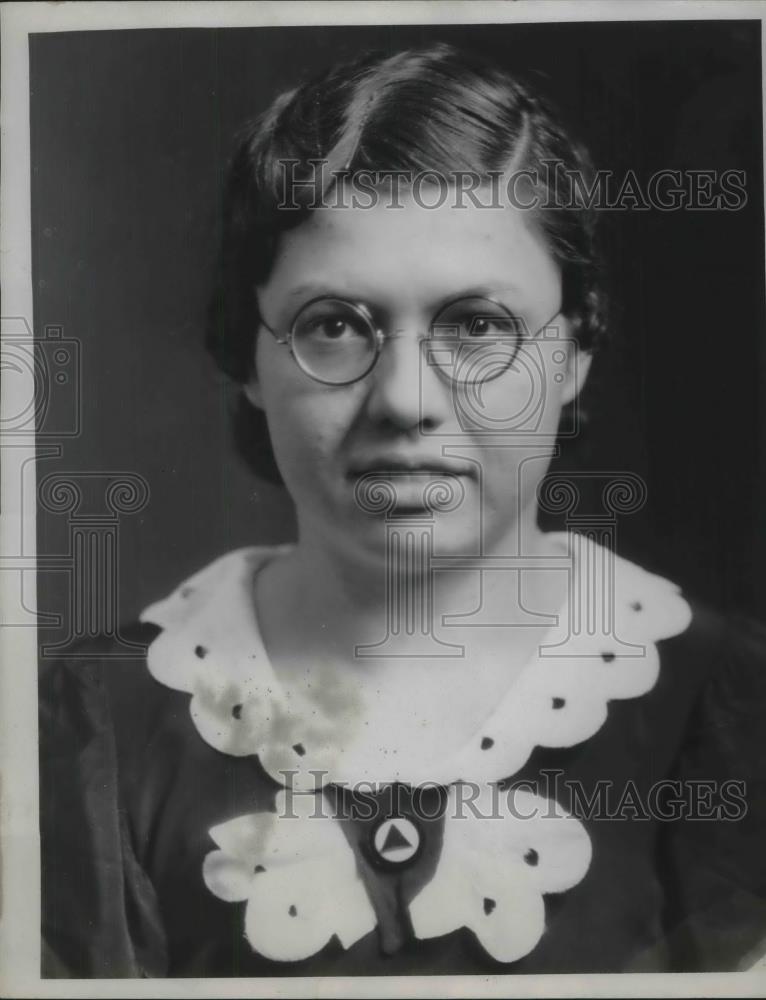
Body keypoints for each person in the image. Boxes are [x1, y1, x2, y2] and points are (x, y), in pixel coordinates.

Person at [39, 43, 766, 977]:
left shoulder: (725, 709)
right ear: (246, 359)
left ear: (576, 352)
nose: (405, 399)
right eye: (334, 325)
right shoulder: (94, 729)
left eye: (477, 326)